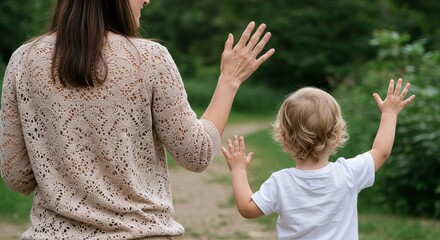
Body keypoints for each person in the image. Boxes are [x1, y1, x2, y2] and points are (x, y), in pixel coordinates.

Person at [0, 0, 275, 239]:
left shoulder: (22, 61)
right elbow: (196, 153)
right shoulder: (151, 59)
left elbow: (17, 176)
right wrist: (228, 81)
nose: (146, 0)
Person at [222, 78, 415, 239]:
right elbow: (381, 151)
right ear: (337, 136)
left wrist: (239, 170)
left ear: (284, 139)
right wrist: (389, 113)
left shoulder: (281, 182)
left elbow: (247, 209)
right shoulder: (349, 173)